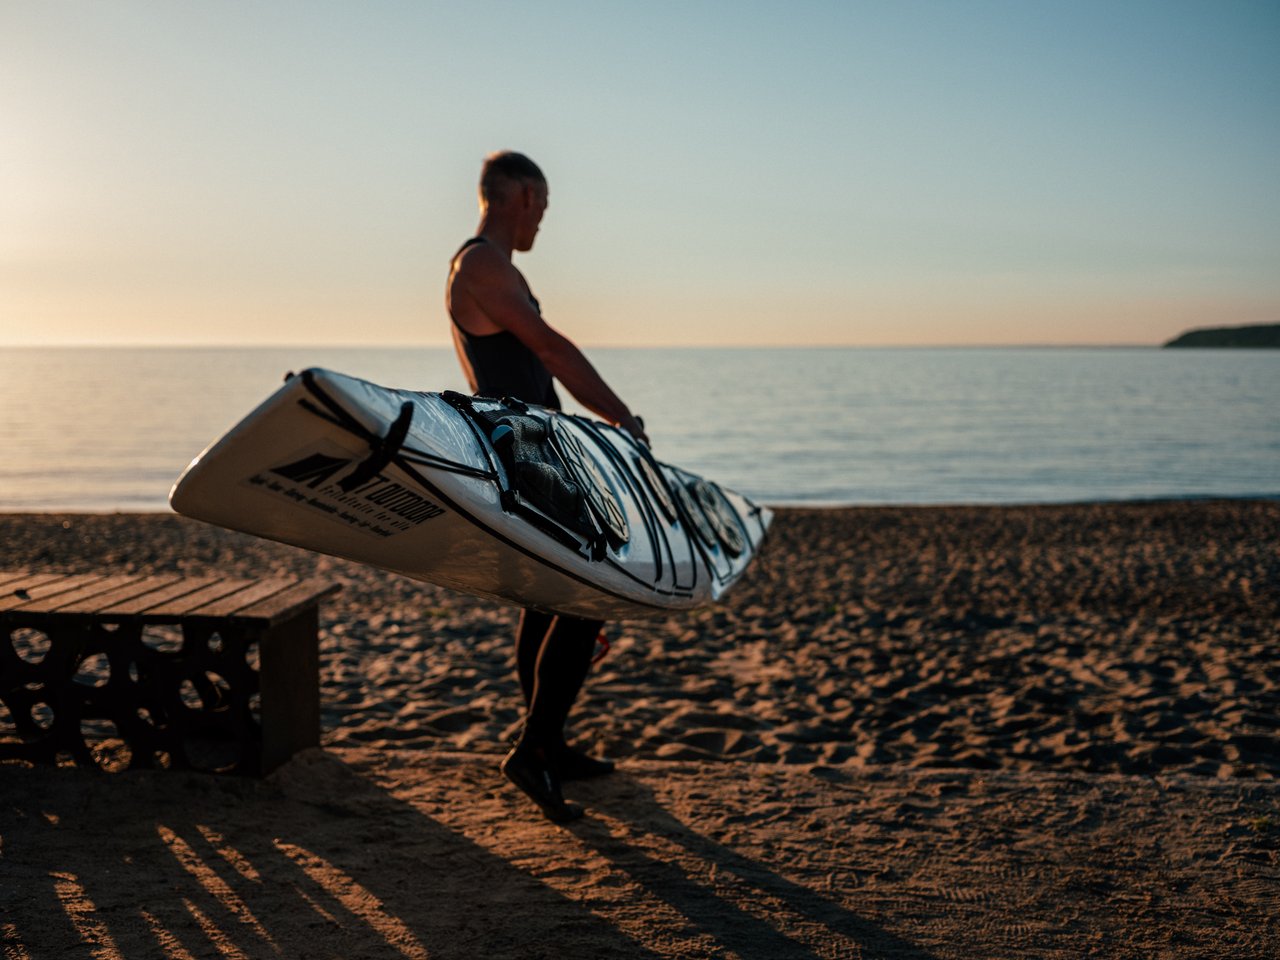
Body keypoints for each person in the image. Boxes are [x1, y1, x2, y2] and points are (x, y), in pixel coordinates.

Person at [445, 150, 648, 822]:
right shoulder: (480, 265)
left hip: (538, 449)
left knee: (545, 598)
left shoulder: (493, 268)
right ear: (523, 195)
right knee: (584, 591)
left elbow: (537, 372)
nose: (543, 224)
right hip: (524, 454)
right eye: (545, 208)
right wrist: (619, 415)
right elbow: (552, 350)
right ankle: (533, 750)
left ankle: (548, 743)